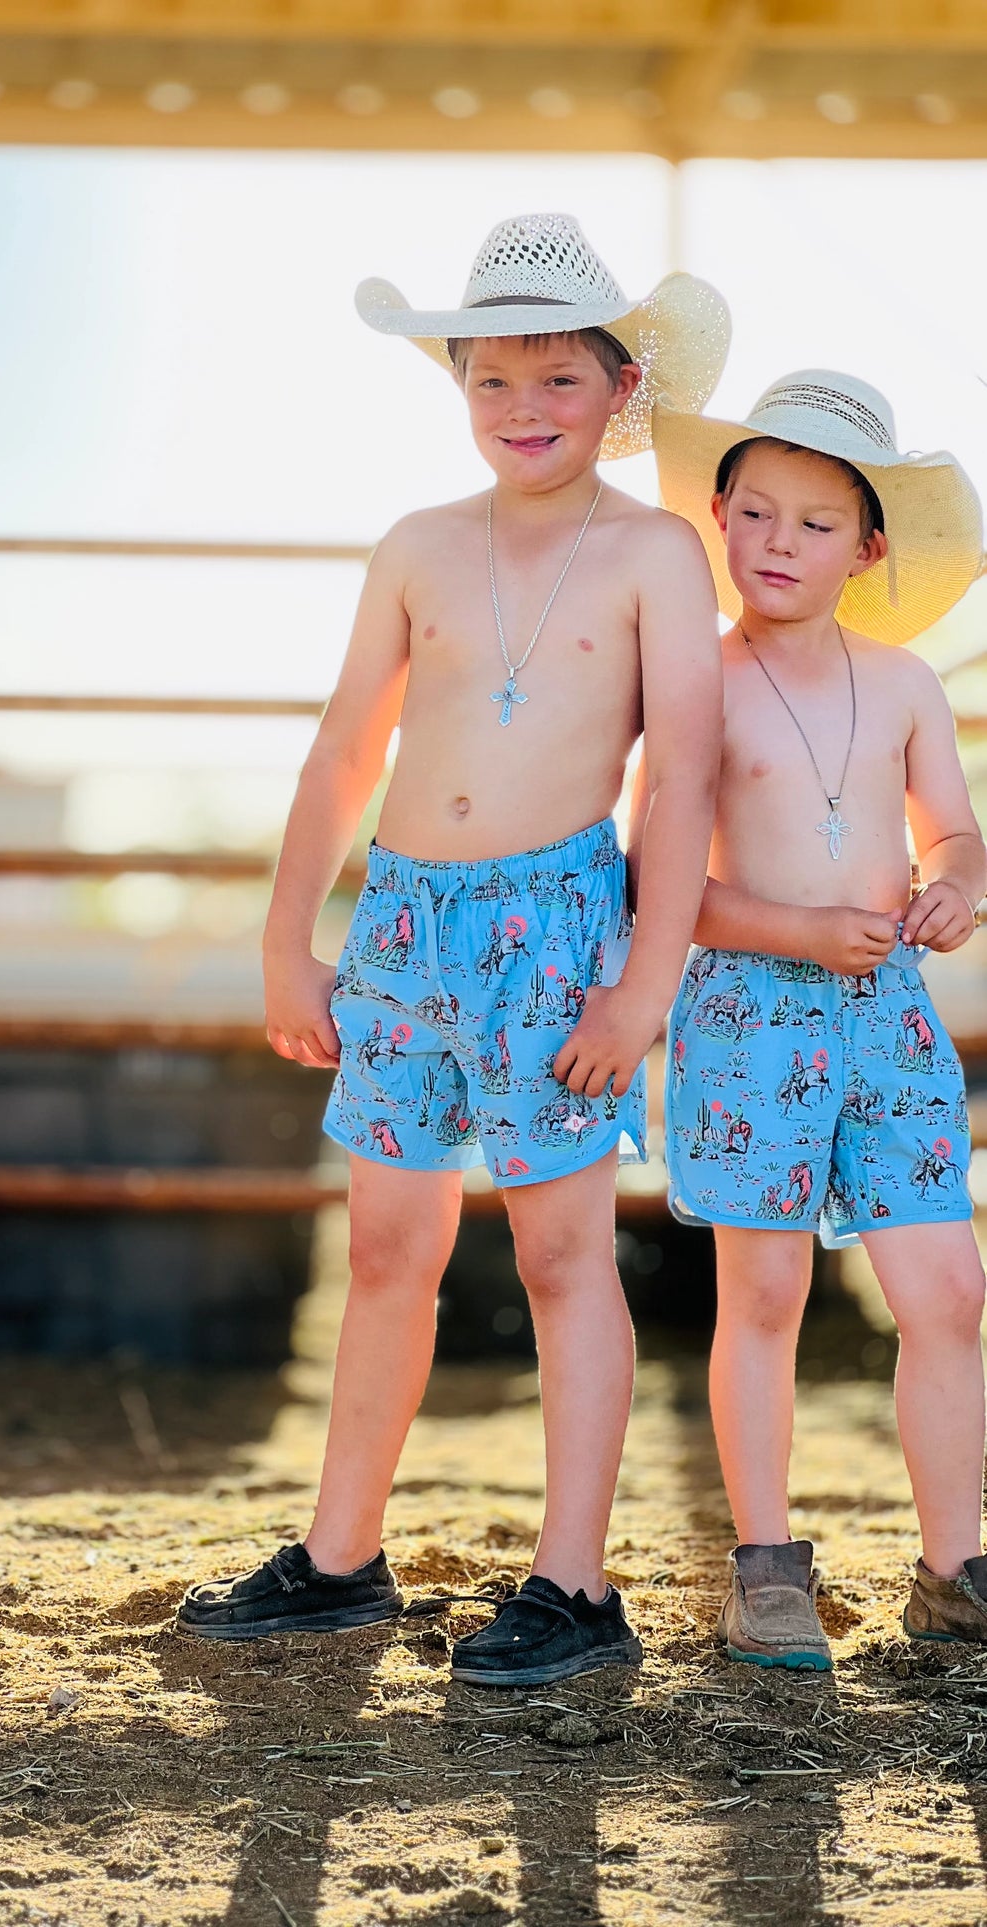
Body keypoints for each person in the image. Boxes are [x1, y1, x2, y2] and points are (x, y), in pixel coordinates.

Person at [177, 212, 728, 1686]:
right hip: (402, 923)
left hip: (557, 931)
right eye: (491, 378)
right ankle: (340, 1557)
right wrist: (289, 939)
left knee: (559, 1251)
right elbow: (344, 748)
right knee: (383, 1247)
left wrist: (640, 986)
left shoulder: (655, 552)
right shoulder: (418, 544)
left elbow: (681, 775)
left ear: (619, 388)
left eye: (557, 378)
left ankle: (574, 1581)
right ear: (458, 386)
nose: (522, 407)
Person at [650, 371, 987, 1669]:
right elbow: (662, 882)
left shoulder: (899, 684)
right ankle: (765, 1568)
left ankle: (953, 1567)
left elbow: (951, 829)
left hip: (886, 1012)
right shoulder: (696, 683)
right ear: (718, 519)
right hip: (750, 1010)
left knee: (946, 1288)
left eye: (814, 521)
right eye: (754, 512)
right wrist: (796, 929)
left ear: (868, 548)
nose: (777, 542)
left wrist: (952, 884)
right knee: (766, 1287)